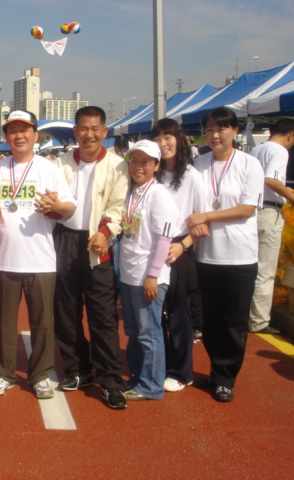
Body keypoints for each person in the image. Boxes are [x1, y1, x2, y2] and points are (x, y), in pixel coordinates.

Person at [0, 110, 76, 399]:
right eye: (13, 130)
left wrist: (55, 205)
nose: (19, 135)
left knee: (42, 322)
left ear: (35, 135)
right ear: (6, 137)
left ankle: (40, 375)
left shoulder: (48, 168)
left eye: (25, 129)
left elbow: (69, 208)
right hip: (4, 258)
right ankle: (3, 373)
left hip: (40, 259)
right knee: (3, 322)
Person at [51, 106, 129, 409]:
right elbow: (51, 201)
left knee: (103, 315)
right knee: (66, 312)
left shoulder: (118, 166)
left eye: (95, 128)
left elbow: (117, 208)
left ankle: (110, 379)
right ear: (75, 132)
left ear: (105, 132)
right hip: (65, 241)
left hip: (98, 242)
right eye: (83, 128)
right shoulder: (59, 164)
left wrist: (104, 234)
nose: (89, 134)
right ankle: (78, 370)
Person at [187, 107, 263, 402]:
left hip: (239, 257)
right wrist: (197, 216)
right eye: (209, 130)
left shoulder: (249, 164)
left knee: (233, 321)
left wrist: (206, 216)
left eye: (221, 129)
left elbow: (247, 208)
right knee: (210, 321)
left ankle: (226, 378)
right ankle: (216, 369)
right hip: (206, 256)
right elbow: (190, 203)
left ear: (234, 130)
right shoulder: (199, 163)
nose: (215, 136)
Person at [119, 140, 179, 401]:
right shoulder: (132, 191)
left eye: (145, 162)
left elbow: (165, 239)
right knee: (133, 332)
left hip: (148, 276)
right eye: (134, 161)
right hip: (129, 274)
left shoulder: (159, 195)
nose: (138, 166)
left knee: (149, 332)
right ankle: (138, 376)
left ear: (156, 165)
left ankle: (152, 385)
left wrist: (153, 275)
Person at [152, 118, 207, 393]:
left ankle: (181, 371)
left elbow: (202, 222)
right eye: (158, 139)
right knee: (155, 312)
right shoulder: (154, 173)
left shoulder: (193, 177)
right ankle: (160, 363)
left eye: (168, 137)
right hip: (152, 247)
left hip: (178, 249)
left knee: (179, 314)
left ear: (180, 139)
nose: (163, 144)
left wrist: (183, 245)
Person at [249, 119, 294, 334]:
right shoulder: (280, 151)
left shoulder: (256, 150)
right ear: (290, 135)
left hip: (251, 212)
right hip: (268, 211)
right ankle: (258, 321)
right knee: (265, 270)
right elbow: (271, 180)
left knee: (250, 266)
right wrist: (290, 195)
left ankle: (247, 313)